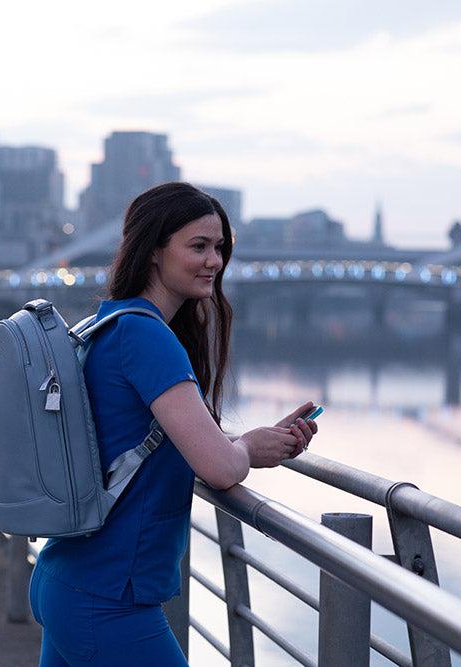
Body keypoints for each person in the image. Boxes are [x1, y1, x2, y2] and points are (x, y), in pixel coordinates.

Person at [29, 182, 319, 666]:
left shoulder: (111, 323)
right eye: (199, 246)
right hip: (109, 598)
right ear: (154, 251)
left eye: (220, 248)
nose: (215, 261)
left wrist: (251, 442)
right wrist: (246, 449)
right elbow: (221, 470)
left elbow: (154, 437)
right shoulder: (148, 338)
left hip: (70, 578)